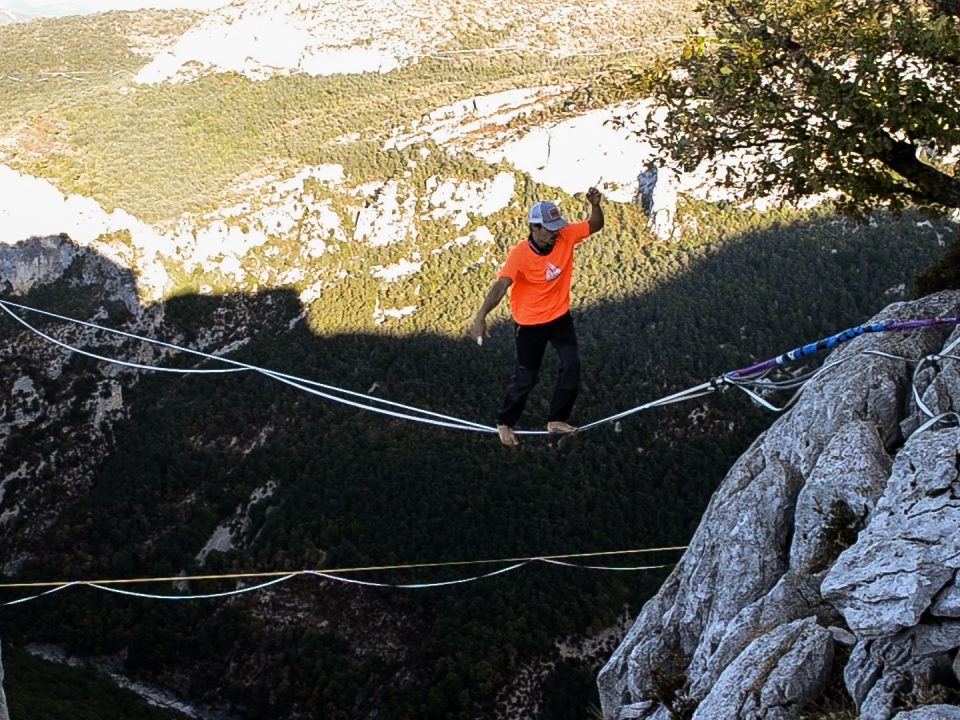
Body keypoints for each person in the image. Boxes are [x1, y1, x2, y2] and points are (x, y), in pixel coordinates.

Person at [470, 188, 604, 446]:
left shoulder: (564, 235)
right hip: (529, 324)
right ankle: (505, 422)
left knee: (572, 364)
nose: (555, 233)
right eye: (550, 228)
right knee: (526, 378)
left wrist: (595, 206)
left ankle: (556, 419)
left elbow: (594, 225)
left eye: (557, 227)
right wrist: (481, 315)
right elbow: (501, 286)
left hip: (559, 317)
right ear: (534, 227)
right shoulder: (520, 254)